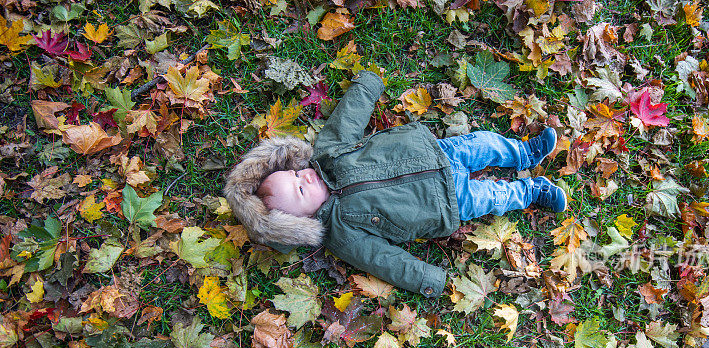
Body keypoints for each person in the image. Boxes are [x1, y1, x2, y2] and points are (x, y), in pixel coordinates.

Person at [224, 70, 566, 297]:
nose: (305, 177)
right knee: (494, 196)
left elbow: (348, 119)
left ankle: (522, 153)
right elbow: (383, 260)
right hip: (447, 202)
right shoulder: (341, 234)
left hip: (435, 152)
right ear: (302, 221)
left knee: (483, 144)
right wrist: (427, 280)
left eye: (295, 173)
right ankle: (531, 191)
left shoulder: (326, 154)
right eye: (300, 189)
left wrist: (366, 86)